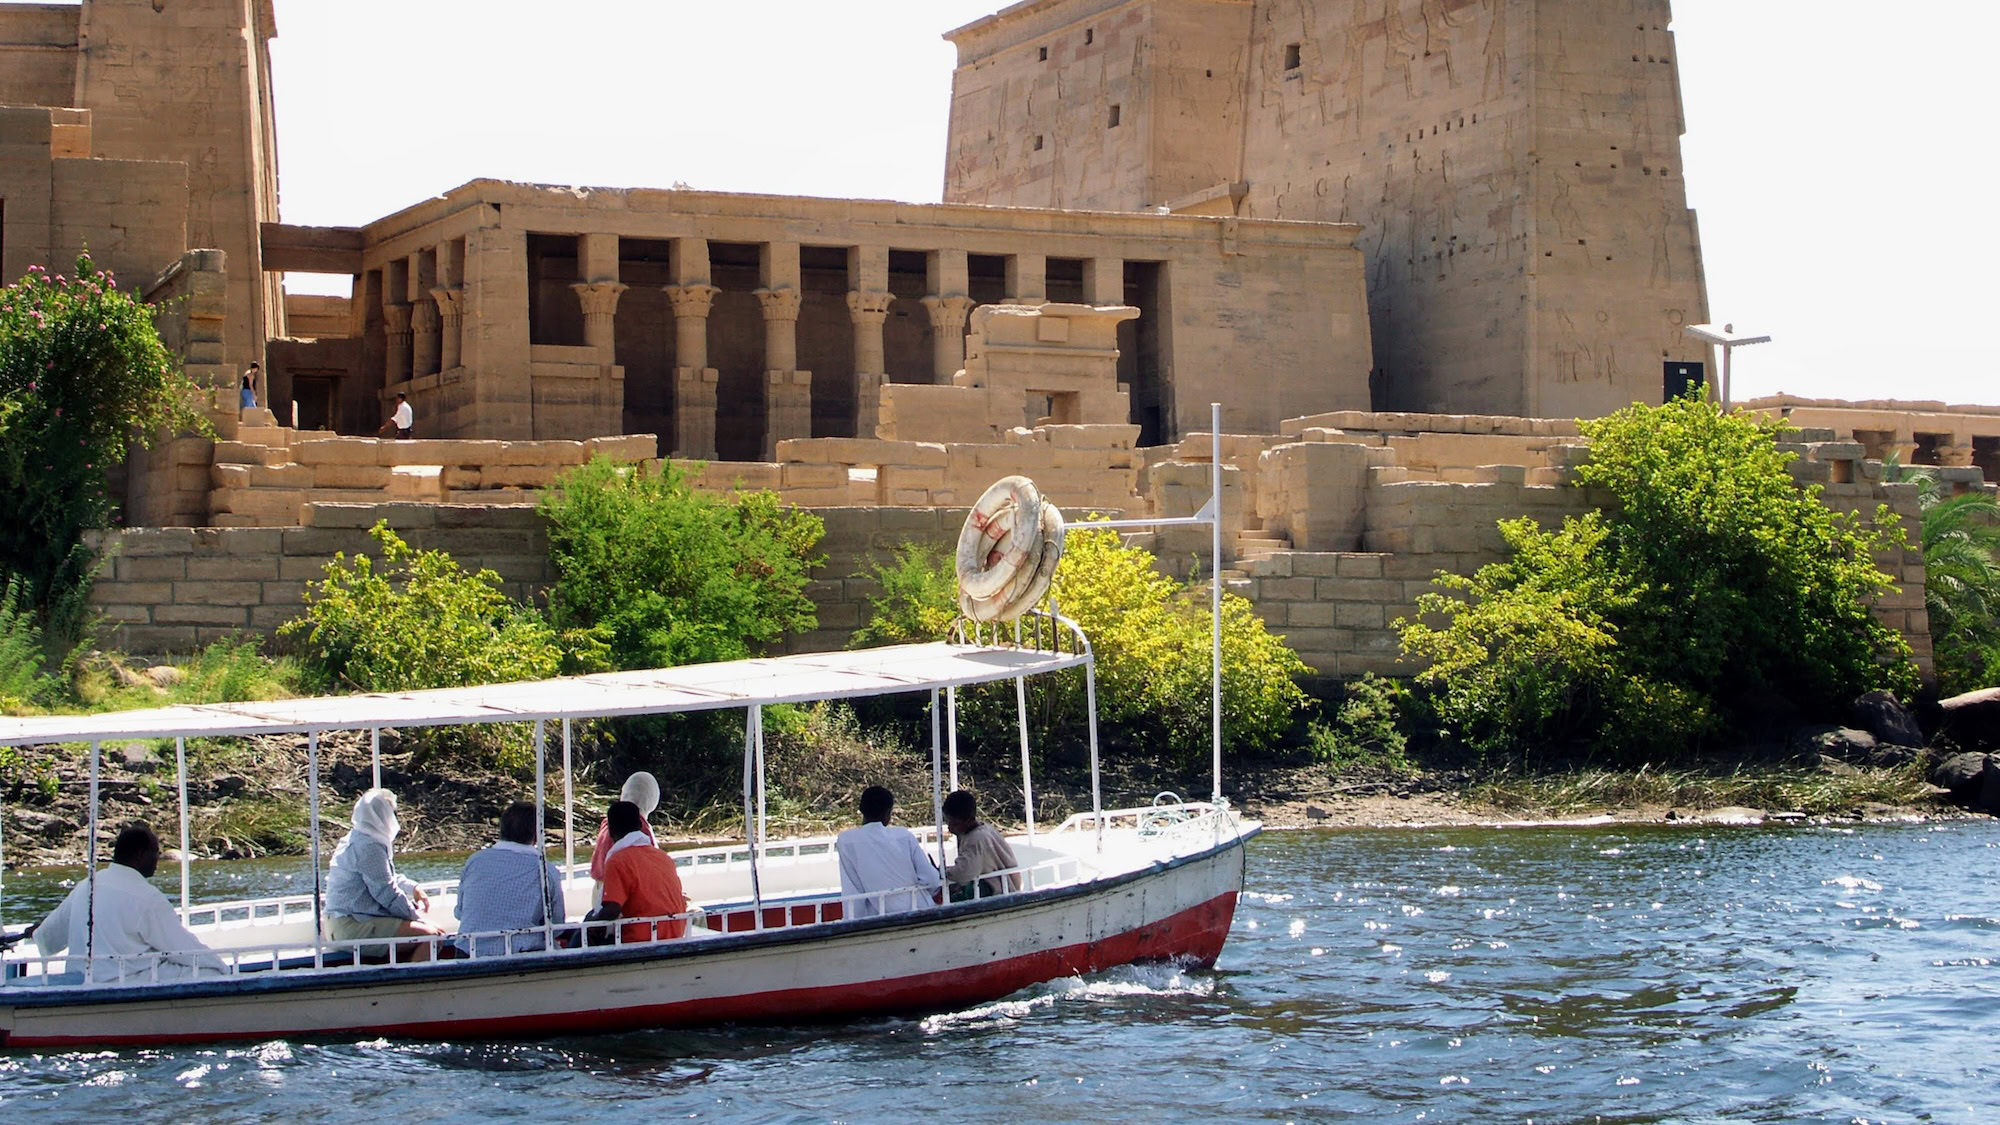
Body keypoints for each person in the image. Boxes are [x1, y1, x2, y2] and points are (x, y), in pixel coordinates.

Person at [29, 822, 224, 982]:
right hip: (126, 980)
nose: (158, 860)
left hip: (83, 980)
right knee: (211, 973)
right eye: (156, 853)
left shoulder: (87, 885)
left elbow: (47, 937)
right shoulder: (147, 897)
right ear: (140, 855)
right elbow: (183, 948)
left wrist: (34, 932)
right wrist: (224, 969)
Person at [325, 788, 443, 961]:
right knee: (432, 937)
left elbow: (383, 876)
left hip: (341, 922)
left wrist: (413, 888)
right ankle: (411, 987)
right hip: (351, 925)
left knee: (428, 931)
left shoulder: (357, 837)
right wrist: (419, 918)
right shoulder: (369, 847)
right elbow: (386, 892)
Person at [453, 801, 566, 957]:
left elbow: (459, 913)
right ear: (536, 834)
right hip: (519, 954)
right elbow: (557, 925)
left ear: (502, 829)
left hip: (468, 952)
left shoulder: (475, 861)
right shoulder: (545, 869)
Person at [834, 786, 941, 918]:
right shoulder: (903, 836)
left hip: (879, 920)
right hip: (920, 911)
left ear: (861, 810)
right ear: (888, 812)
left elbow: (853, 891)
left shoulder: (846, 841)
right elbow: (932, 879)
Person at [594, 800, 688, 943]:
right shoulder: (663, 857)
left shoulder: (618, 861)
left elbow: (612, 910)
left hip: (642, 938)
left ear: (611, 832)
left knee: (588, 927)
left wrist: (590, 926)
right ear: (639, 826)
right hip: (675, 933)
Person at [942, 790, 1020, 902]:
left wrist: (944, 873)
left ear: (969, 821)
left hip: (998, 892)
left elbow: (963, 873)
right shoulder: (985, 828)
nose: (950, 828)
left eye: (955, 824)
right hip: (1006, 886)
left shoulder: (976, 840)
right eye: (947, 822)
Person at [589, 771, 660, 887]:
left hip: (601, 886)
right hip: (620, 889)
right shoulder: (639, 827)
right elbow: (653, 868)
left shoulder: (609, 821)